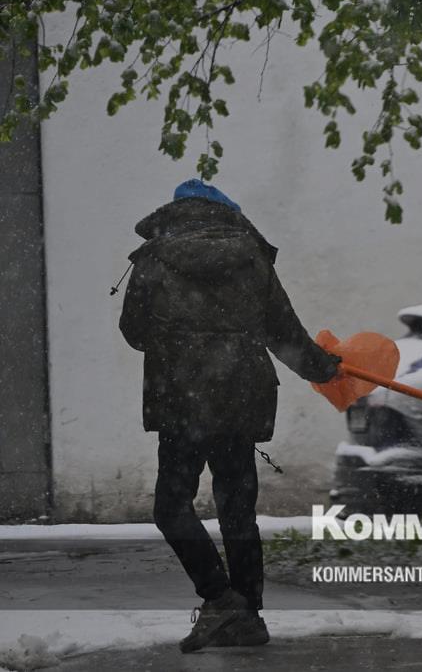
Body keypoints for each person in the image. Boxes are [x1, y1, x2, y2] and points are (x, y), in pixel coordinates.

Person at [119, 180, 341, 652]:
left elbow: (134, 332)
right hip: (240, 398)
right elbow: (283, 333)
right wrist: (325, 369)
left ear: (176, 212)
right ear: (225, 213)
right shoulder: (250, 256)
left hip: (181, 401)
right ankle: (248, 616)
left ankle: (220, 599)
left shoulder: (153, 258)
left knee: (171, 508)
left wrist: (179, 342)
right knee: (237, 512)